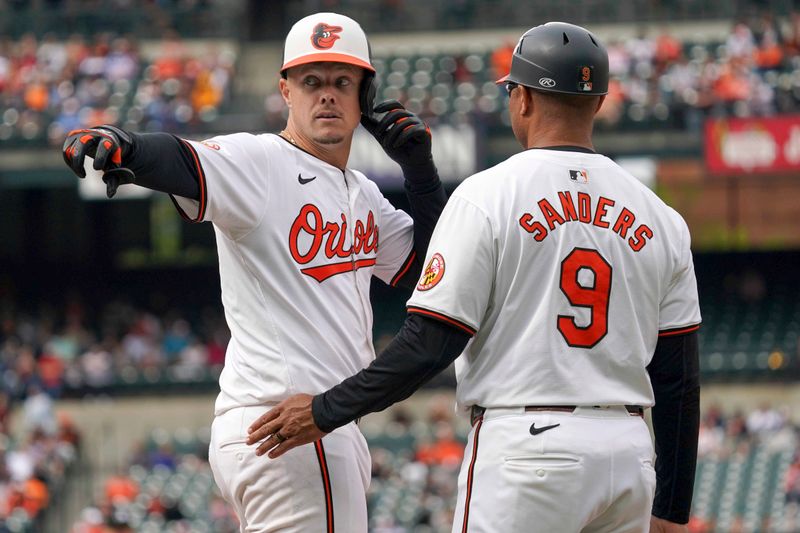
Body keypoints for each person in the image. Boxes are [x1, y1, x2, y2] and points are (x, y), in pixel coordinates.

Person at [249, 22, 701, 533]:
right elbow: (678, 376)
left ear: (523, 100)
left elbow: (429, 344)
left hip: (526, 449)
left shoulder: (487, 196)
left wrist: (326, 410)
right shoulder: (662, 218)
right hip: (628, 454)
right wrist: (672, 509)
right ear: (597, 103)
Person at [61, 12, 447, 532]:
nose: (326, 95)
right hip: (291, 424)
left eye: (342, 82)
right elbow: (183, 158)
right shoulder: (261, 161)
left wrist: (420, 174)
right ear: (286, 90)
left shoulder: (365, 195)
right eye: (311, 82)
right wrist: (127, 145)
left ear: (365, 96)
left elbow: (430, 272)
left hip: (298, 427)